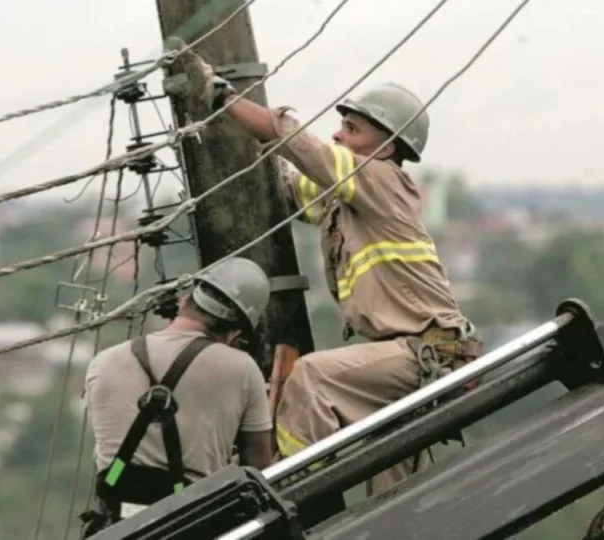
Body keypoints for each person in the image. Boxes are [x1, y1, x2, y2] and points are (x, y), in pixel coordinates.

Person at [172, 48, 484, 499]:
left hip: (423, 352)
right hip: (407, 358)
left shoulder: (381, 180)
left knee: (312, 378)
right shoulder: (350, 199)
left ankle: (293, 489)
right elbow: (292, 183)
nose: (338, 134)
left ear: (385, 148)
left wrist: (222, 97)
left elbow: (298, 143)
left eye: (352, 129)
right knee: (392, 482)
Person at [81, 256, 275, 535]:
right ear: (235, 333)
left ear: (184, 302)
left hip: (117, 527)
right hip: (192, 524)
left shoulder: (103, 362)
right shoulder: (242, 369)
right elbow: (258, 466)